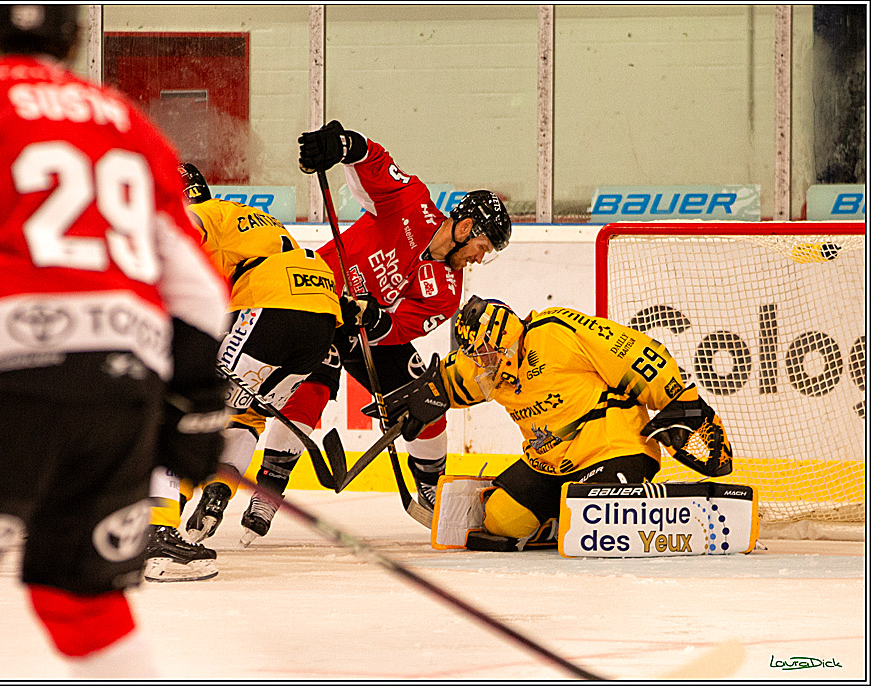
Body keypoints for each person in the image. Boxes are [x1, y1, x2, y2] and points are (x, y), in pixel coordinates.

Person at [0, 5, 228, 679]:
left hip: (13, 376)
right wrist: (196, 400)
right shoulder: (129, 122)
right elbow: (198, 292)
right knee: (82, 602)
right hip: (126, 381)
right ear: (76, 39)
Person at [184, 120, 511, 543]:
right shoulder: (411, 205)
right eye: (480, 249)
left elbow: (400, 327)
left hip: (362, 332)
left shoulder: (447, 290)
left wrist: (378, 322)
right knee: (311, 388)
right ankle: (268, 492)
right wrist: (343, 144)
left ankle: (430, 487)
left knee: (424, 395)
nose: (475, 260)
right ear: (467, 228)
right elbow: (375, 162)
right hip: (314, 297)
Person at [377, 295, 733, 549]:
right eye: (474, 355)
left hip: (611, 450)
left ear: (503, 339)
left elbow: (637, 354)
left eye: (482, 353)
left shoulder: (556, 332)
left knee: (604, 511)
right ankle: (560, 520)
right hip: (549, 463)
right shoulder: (486, 366)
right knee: (500, 519)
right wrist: (419, 401)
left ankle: (652, 509)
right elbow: (448, 382)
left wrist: (678, 401)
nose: (478, 362)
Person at [144, 163, 341, 577]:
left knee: (181, 410)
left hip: (272, 305)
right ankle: (218, 491)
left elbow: (176, 239)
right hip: (320, 317)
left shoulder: (206, 215)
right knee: (245, 412)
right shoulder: (249, 220)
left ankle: (157, 536)